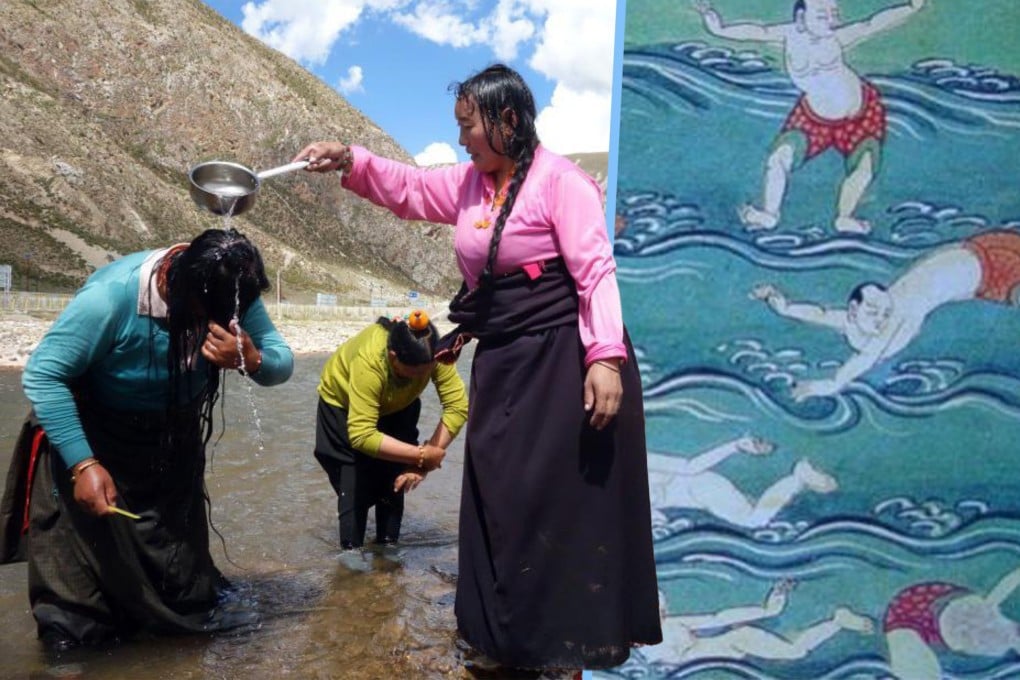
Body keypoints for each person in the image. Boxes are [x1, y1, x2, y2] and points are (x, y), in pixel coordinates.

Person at [293, 64, 662, 672]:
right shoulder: (469, 185)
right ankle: (501, 637)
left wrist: (605, 361)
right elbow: (409, 189)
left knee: (556, 502)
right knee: (498, 494)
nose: (462, 138)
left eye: (468, 126)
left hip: (562, 361)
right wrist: (349, 160)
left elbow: (595, 274)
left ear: (506, 120)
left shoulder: (563, 183)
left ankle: (560, 644)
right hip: (505, 363)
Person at [0, 228, 293, 651]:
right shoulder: (111, 298)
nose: (207, 325)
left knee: (180, 581)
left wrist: (251, 358)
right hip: (90, 433)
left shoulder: (230, 290)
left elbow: (281, 364)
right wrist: (83, 463)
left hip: (171, 441)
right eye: (197, 315)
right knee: (77, 600)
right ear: (171, 285)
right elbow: (44, 374)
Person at [693, 0, 926, 234]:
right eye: (824, 15)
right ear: (802, 17)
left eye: (835, 14)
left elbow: (872, 24)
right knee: (778, 159)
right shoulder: (788, 34)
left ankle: (845, 217)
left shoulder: (836, 38)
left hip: (861, 113)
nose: (833, 21)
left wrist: (912, 7)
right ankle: (769, 214)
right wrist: (715, 24)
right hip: (813, 117)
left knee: (864, 167)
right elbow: (751, 32)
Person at [751, 229, 1020, 399]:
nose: (881, 320)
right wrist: (779, 302)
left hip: (996, 266)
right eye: (873, 312)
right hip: (977, 257)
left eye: (883, 313)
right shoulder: (851, 320)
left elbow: (866, 358)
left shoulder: (895, 318)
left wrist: (826, 386)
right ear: (853, 311)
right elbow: (818, 313)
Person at [313, 310, 467, 549]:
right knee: (353, 483)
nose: (419, 378)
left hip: (399, 406)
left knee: (396, 478)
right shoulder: (370, 361)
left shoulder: (435, 354)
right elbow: (362, 435)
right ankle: (351, 561)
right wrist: (422, 455)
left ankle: (389, 552)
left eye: (426, 372)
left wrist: (425, 458)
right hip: (343, 407)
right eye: (412, 373)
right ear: (393, 356)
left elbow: (457, 406)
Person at [644, 582, 874, 665]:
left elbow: (719, 618)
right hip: (728, 649)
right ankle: (837, 622)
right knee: (795, 652)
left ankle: (838, 622)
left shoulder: (671, 624)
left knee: (795, 652)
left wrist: (767, 609)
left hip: (735, 643)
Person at [648, 435, 837, 529]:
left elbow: (691, 466)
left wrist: (736, 446)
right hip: (703, 497)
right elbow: (660, 520)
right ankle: (796, 480)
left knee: (753, 521)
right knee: (754, 510)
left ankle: (798, 479)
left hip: (705, 488)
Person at [884, 566, 1020, 679]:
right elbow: (1007, 585)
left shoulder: (999, 640)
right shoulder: (988, 613)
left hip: (924, 612)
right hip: (920, 608)